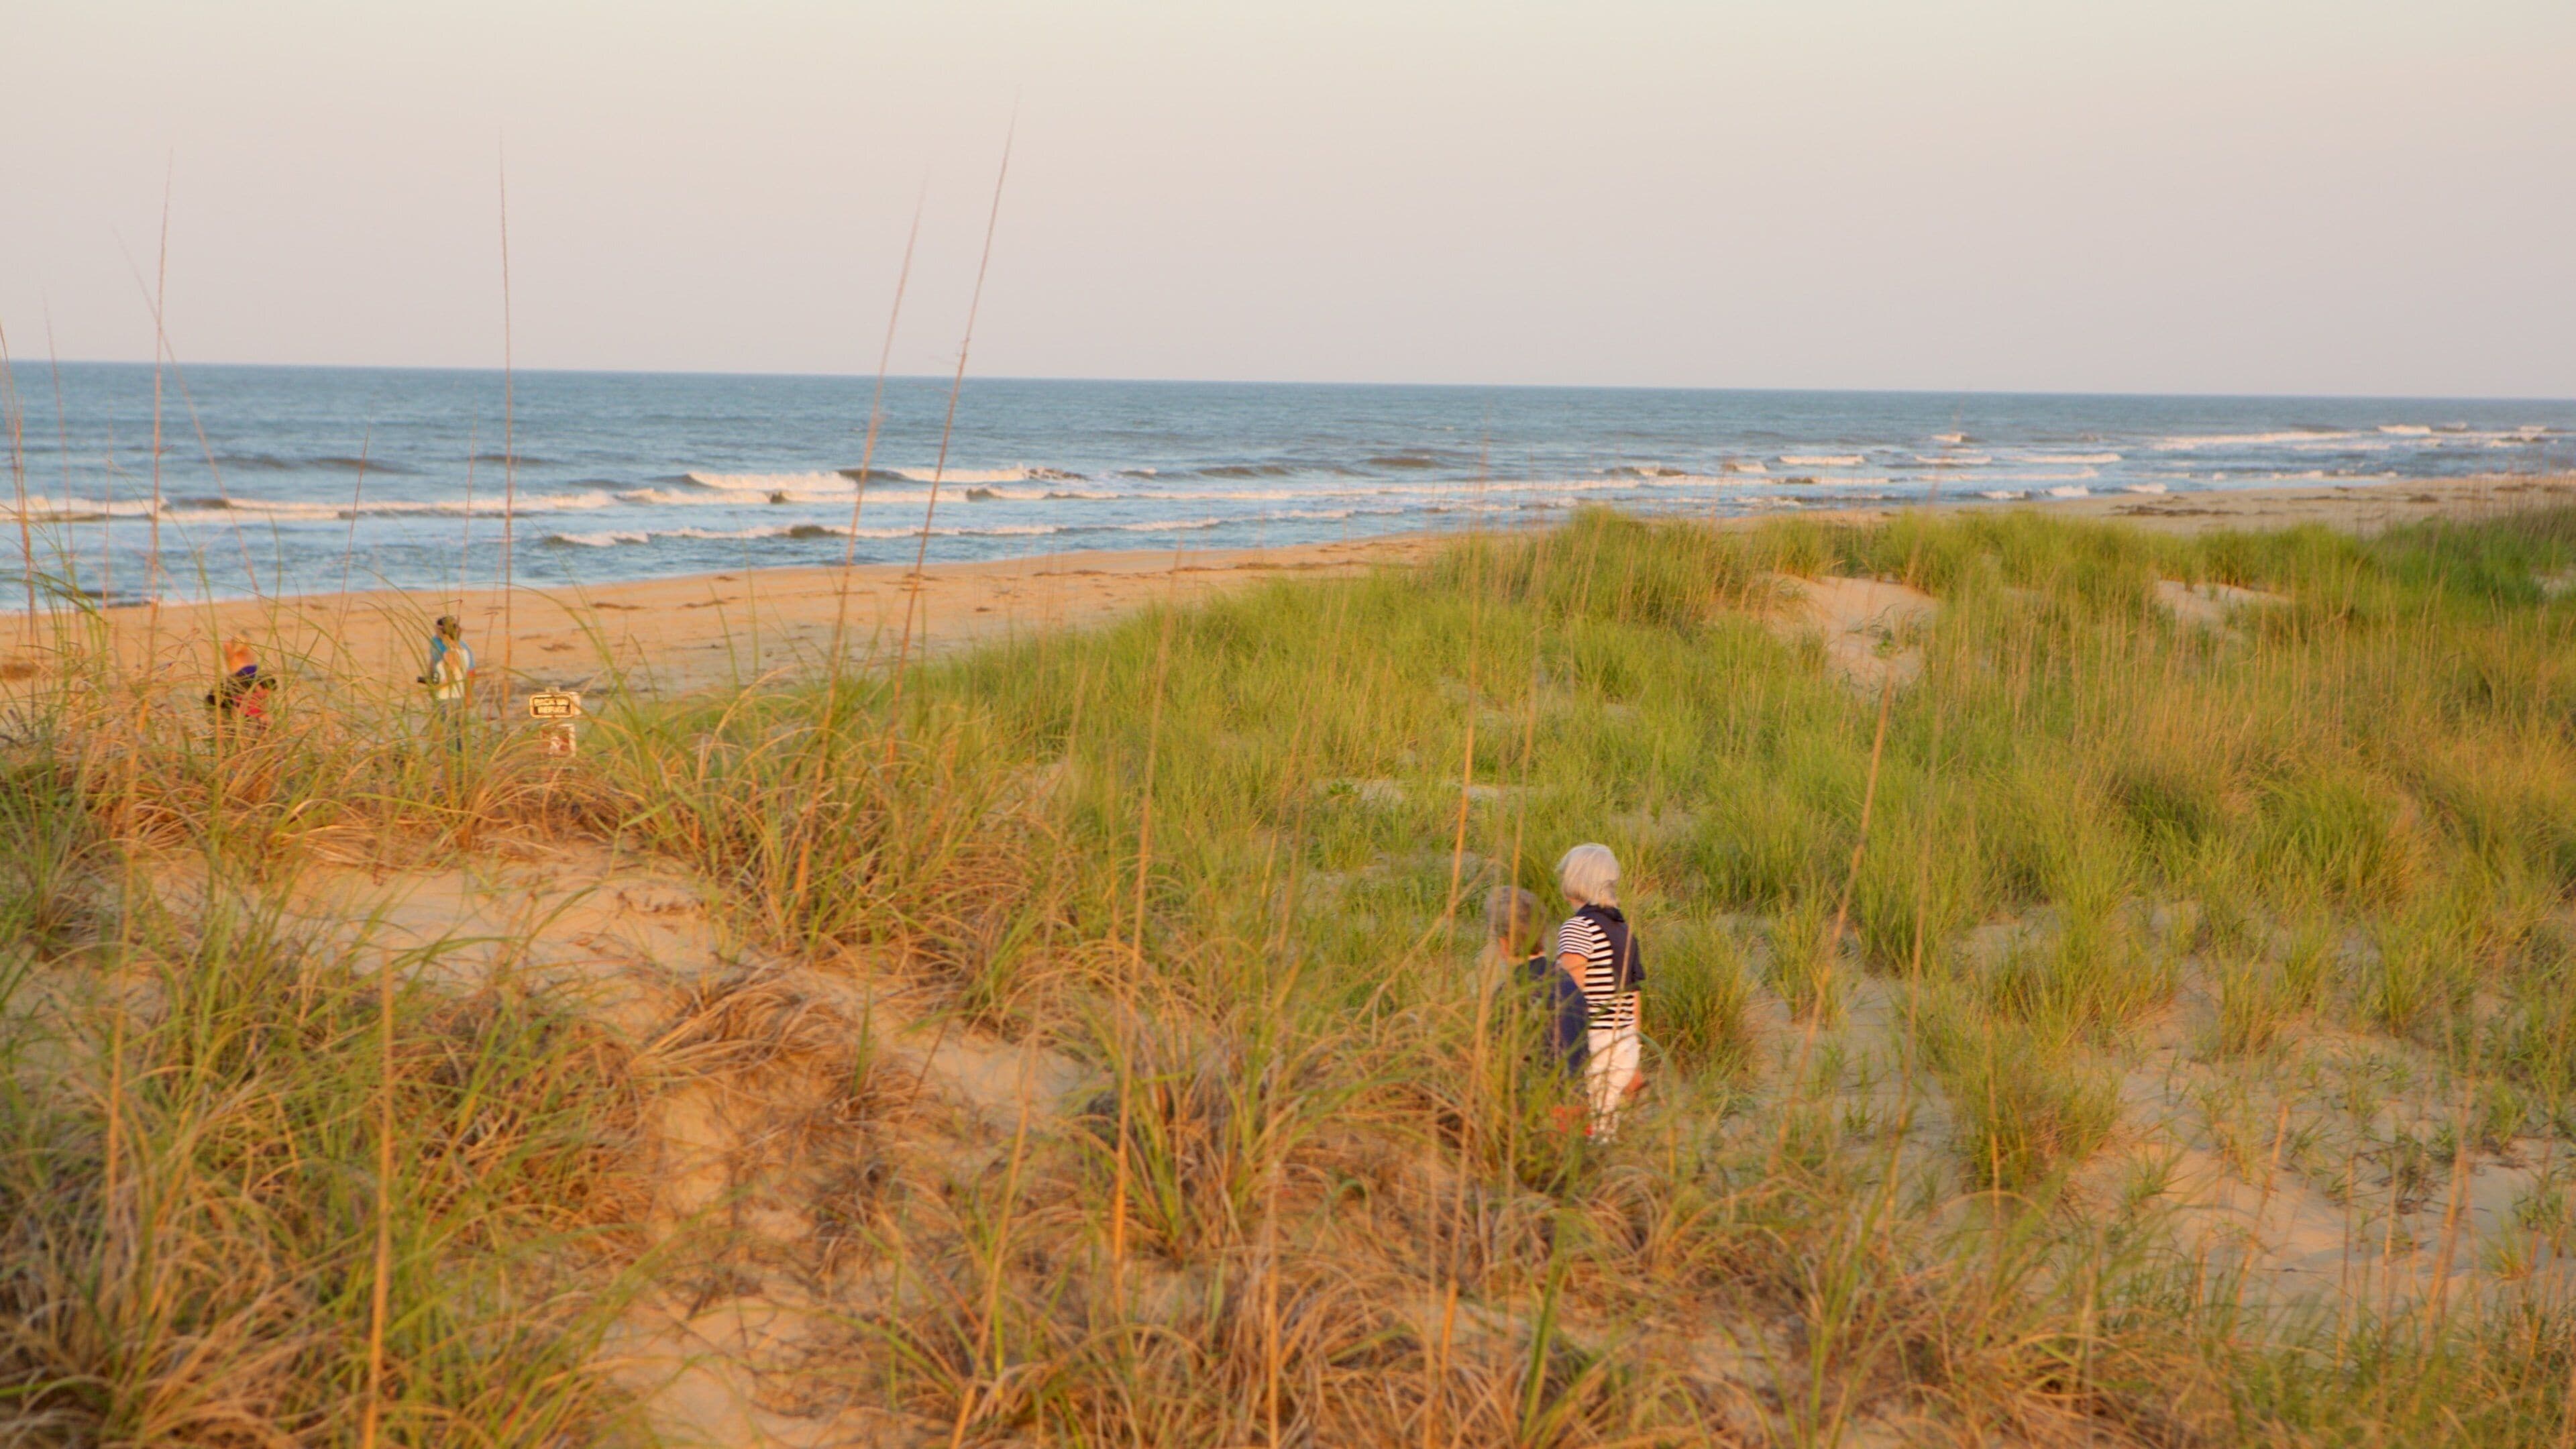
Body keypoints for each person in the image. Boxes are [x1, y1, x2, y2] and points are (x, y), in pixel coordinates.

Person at [1554, 843, 1646, 1136]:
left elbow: (1568, 990)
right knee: (1606, 1128)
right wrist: (1635, 1054)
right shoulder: (1623, 929)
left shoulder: (1578, 927)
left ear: (1574, 879)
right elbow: (1634, 995)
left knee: (1578, 1128)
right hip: (1623, 1042)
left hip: (1592, 1042)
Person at [203, 637, 275, 726]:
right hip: (221, 701)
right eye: (266, 692)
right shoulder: (241, 688)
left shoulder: (248, 658)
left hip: (236, 690)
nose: (266, 696)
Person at [421, 615, 472, 708]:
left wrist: (434, 687)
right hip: (458, 697)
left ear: (446, 636)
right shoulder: (464, 652)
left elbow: (450, 679)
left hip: (447, 699)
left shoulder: (450, 654)